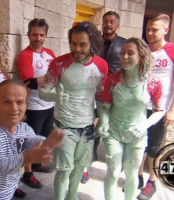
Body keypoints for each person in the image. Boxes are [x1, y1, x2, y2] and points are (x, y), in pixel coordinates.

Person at [39, 21, 108, 200]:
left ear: (93, 43)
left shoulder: (101, 66)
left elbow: (100, 97)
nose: (76, 48)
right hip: (64, 125)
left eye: (82, 44)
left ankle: (72, 196)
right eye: (73, 43)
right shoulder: (59, 63)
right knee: (64, 170)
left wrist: (103, 120)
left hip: (87, 125)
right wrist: (56, 97)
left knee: (79, 167)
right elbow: (43, 91)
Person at [96, 37, 164, 200]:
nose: (124, 57)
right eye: (122, 53)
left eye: (130, 53)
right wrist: (104, 120)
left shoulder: (153, 82)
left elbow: (160, 110)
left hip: (137, 134)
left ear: (141, 56)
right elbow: (104, 104)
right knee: (112, 172)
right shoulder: (113, 79)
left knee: (132, 175)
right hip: (114, 131)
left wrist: (145, 125)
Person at [0, 79, 64, 200]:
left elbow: (32, 140)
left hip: (7, 192)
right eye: (7, 102)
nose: (14, 108)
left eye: (20, 102)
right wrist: (27, 158)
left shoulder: (23, 128)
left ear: (26, 106)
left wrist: (46, 143)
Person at [80, 11, 127, 185]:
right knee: (89, 127)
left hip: (115, 94)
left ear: (117, 24)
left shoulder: (123, 44)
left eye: (112, 22)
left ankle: (115, 167)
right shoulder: (94, 42)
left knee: (113, 129)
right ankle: (86, 161)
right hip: (92, 91)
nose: (108, 24)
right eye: (105, 21)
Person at [137, 14, 174, 200]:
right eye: (148, 29)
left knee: (153, 148)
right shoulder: (143, 51)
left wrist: (172, 111)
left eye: (154, 30)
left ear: (165, 30)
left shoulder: (172, 51)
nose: (149, 33)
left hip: (160, 109)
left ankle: (151, 182)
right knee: (138, 143)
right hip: (139, 106)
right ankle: (138, 175)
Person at [17, 18, 56, 189]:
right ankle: (27, 173)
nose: (38, 38)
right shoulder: (25, 55)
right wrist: (53, 76)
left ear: (45, 36)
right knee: (31, 142)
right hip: (34, 107)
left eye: (41, 35)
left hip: (49, 105)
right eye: (35, 34)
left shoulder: (49, 53)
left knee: (43, 139)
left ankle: (38, 164)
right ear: (28, 34)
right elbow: (31, 83)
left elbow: (57, 72)